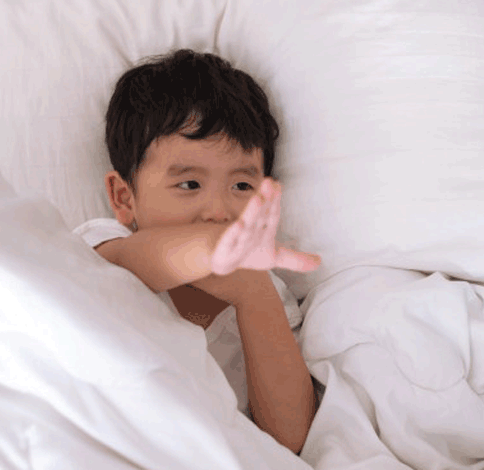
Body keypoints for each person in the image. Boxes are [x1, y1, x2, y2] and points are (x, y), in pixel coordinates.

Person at [73, 49, 321, 454]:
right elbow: (139, 259)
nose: (218, 211)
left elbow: (289, 440)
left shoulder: (266, 294)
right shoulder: (106, 247)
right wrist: (211, 250)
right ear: (124, 197)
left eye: (241, 186)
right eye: (189, 185)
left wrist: (252, 291)